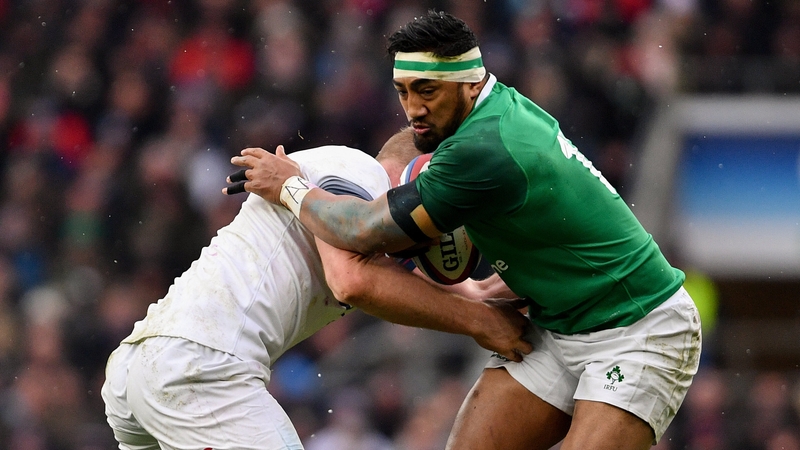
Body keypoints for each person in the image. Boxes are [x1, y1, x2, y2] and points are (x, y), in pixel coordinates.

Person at [224, 10, 702, 450]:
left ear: (469, 85)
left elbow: (365, 232)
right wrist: (391, 170)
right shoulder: (488, 108)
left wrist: (290, 187)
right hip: (558, 321)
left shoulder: (482, 149)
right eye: (403, 91)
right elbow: (410, 139)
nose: (413, 108)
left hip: (638, 328)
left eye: (426, 91)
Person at [101, 128, 533, 450]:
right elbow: (352, 280)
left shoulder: (361, 218)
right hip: (202, 368)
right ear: (422, 173)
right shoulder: (361, 175)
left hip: (146, 367)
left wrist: (480, 297)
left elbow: (387, 269)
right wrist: (480, 322)